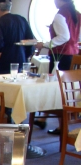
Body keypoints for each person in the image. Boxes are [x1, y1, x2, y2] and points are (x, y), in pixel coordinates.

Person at [35, 0, 81, 134]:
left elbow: (64, 37)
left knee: (57, 89)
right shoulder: (76, 14)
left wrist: (45, 44)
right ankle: (44, 119)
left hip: (60, 55)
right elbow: (76, 36)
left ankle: (62, 126)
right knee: (64, 90)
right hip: (73, 54)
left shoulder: (60, 15)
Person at [0, 0, 35, 74]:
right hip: (21, 62)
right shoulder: (22, 20)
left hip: (3, 64)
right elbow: (30, 42)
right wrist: (25, 56)